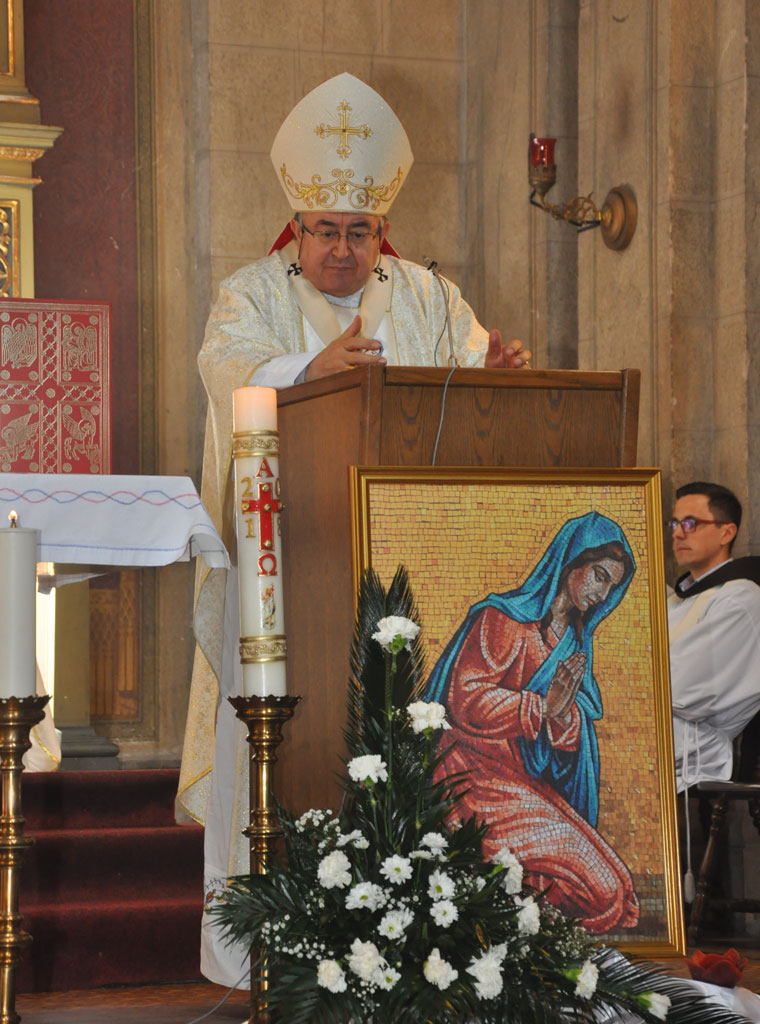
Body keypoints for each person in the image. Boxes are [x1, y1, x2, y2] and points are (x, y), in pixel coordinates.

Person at [178, 72, 531, 988]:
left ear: (383, 231)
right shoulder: (249, 293)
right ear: (296, 229)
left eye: (359, 232)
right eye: (325, 231)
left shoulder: (431, 296)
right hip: (292, 566)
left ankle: (422, 944)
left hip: (411, 567)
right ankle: (268, 950)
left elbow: (466, 390)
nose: (342, 249)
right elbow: (226, 373)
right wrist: (311, 369)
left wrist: (498, 372)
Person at [425, 512, 640, 934]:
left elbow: (567, 735)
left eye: (610, 586)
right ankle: (496, 899)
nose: (601, 594)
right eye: (598, 576)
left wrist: (561, 716)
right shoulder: (504, 619)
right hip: (471, 779)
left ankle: (505, 901)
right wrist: (541, 707)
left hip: (519, 782)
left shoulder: (572, 643)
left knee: (617, 888)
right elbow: (466, 701)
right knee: (603, 892)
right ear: (571, 561)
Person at [667, 481, 760, 793]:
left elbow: (681, 690)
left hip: (693, 747)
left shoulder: (741, 598)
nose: (678, 534)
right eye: (675, 524)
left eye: (691, 524)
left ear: (726, 533)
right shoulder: (674, 599)